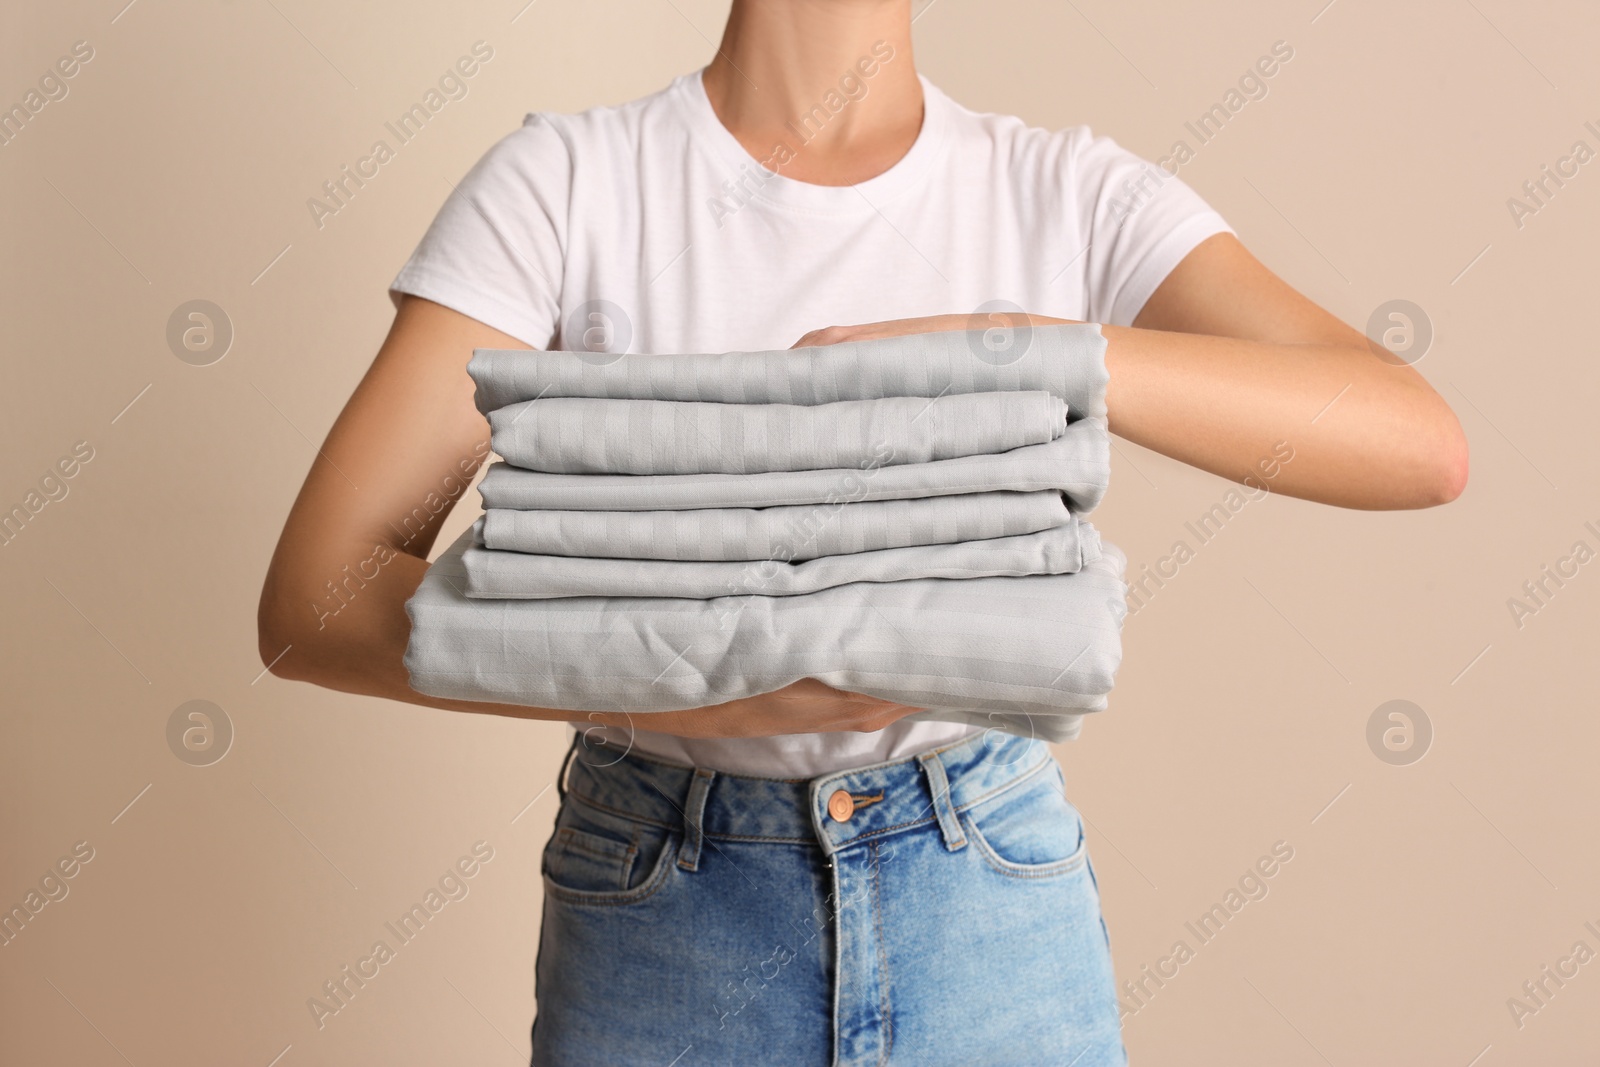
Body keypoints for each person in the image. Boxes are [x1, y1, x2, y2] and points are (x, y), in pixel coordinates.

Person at [257, 1, 1467, 1062]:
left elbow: (1415, 441)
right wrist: (695, 695)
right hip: (661, 898)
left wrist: (1007, 346)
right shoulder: (569, 182)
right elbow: (316, 599)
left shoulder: (1064, 192)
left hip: (985, 893)